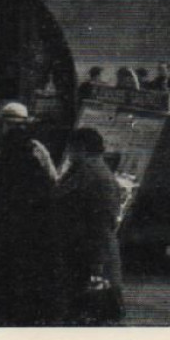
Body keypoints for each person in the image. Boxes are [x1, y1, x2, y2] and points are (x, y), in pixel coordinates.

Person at [0, 101, 60, 327]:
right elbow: (52, 183)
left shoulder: (36, 149)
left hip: (3, 226)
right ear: (0, 124)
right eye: (9, 124)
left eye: (19, 124)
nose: (13, 128)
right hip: (15, 226)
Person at [54, 126, 125, 326]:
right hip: (82, 253)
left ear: (82, 148)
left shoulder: (93, 174)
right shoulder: (85, 170)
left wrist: (97, 262)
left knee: (91, 315)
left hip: (89, 255)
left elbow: (102, 223)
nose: (69, 153)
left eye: (71, 149)